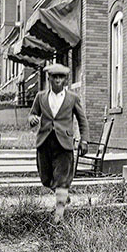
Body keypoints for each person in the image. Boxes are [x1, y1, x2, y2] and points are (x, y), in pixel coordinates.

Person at [28, 63, 89, 224]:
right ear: (49, 78)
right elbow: (32, 114)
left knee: (62, 180)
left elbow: (82, 120)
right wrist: (32, 119)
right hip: (44, 142)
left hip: (64, 143)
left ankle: (58, 217)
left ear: (65, 79)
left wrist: (84, 139)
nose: (57, 80)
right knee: (46, 179)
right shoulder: (40, 97)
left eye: (61, 77)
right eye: (54, 77)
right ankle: (63, 194)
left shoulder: (72, 98)